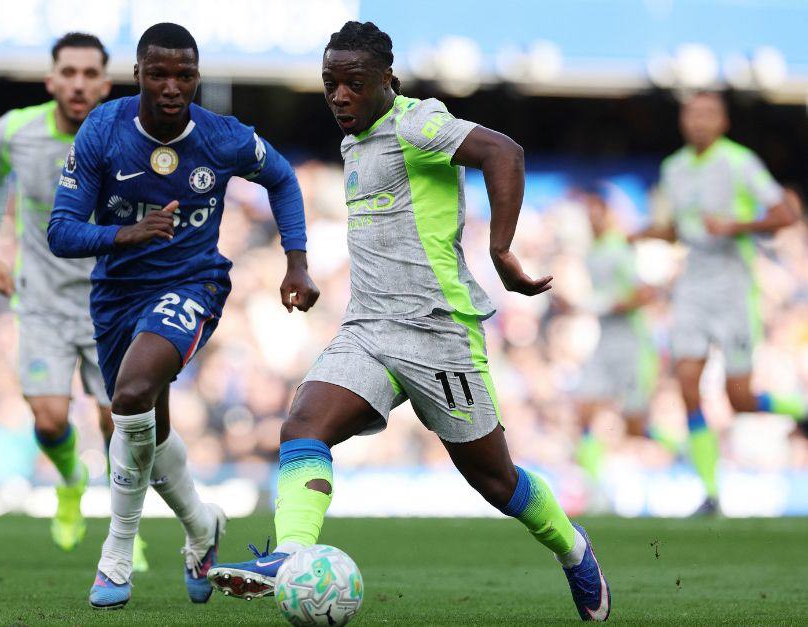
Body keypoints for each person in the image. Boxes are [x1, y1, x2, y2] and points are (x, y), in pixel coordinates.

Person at [208, 21, 610, 622]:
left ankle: (573, 549)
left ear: (387, 82)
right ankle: (290, 555)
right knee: (301, 426)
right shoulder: (353, 143)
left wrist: (501, 250)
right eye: (330, 84)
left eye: (354, 84)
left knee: (497, 483)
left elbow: (504, 151)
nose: (340, 96)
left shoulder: (417, 122)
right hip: (368, 329)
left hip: (436, 330)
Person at [48, 22, 318, 610]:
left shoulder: (223, 136)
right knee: (150, 425)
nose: (173, 87)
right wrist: (127, 233)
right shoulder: (104, 130)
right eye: (160, 74)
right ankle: (202, 528)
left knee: (131, 392)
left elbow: (282, 178)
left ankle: (117, 553)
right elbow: (60, 232)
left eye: (185, 75)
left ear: (198, 78)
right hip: (116, 296)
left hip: (191, 284)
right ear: (139, 74)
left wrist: (296, 261)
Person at [0, 32, 153, 569]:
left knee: (115, 424)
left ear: (105, 82)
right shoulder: (13, 131)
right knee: (51, 420)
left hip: (109, 302)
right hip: (42, 302)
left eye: (89, 74)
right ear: (51, 79)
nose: (78, 84)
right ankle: (72, 483)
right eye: (68, 73)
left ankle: (125, 529)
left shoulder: (131, 134)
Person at [632, 92, 805, 515]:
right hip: (693, 285)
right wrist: (641, 234)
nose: (699, 122)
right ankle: (710, 492)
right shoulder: (673, 168)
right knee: (687, 385)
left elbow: (785, 214)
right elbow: (674, 229)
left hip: (733, 286)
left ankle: (801, 408)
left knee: (739, 399)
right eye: (692, 114)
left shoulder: (740, 161)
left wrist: (736, 225)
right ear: (683, 121)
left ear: (723, 122)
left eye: (708, 114)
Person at [565, 190, 672, 481]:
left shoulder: (619, 248)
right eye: (588, 213)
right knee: (585, 411)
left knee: (634, 426)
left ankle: (686, 451)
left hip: (633, 346)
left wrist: (605, 304)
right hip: (605, 344)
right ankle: (594, 489)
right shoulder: (591, 253)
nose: (592, 219)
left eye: (597, 212)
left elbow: (645, 293)